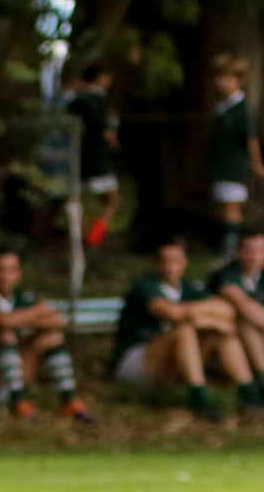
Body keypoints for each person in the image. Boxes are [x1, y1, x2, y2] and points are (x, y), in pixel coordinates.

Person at [113, 236, 258, 419]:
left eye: (177, 261)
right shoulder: (144, 286)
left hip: (175, 362)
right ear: (156, 263)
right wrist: (201, 315)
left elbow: (226, 309)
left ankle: (249, 395)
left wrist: (195, 316)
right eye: (166, 261)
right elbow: (171, 313)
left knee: (220, 334)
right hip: (137, 360)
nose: (171, 267)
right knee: (184, 331)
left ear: (185, 263)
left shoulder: (189, 288)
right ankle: (199, 400)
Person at [0, 247, 87, 421]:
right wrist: (38, 310)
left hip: (8, 373)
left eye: (11, 270)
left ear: (18, 274)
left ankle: (68, 400)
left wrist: (21, 319)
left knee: (52, 337)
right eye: (1, 270)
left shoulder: (23, 298)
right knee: (5, 336)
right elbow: (1, 321)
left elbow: (59, 320)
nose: (6, 276)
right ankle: (18, 402)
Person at [208, 56, 264, 260]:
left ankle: (231, 252)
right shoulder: (222, 107)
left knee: (232, 209)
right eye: (219, 77)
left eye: (226, 78)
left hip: (234, 166)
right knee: (225, 209)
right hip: (221, 165)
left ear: (238, 80)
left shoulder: (241, 109)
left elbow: (251, 139)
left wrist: (257, 164)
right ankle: (234, 249)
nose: (221, 82)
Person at [65, 65, 120, 250]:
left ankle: (86, 236)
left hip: (77, 156)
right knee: (111, 199)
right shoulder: (95, 99)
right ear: (100, 77)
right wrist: (112, 141)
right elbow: (102, 126)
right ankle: (93, 237)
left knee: (83, 199)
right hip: (95, 157)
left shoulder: (75, 98)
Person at [208, 227, 264, 390]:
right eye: (249, 251)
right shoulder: (226, 274)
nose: (255, 257)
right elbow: (245, 307)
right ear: (238, 251)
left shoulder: (261, 275)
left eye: (260, 251)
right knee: (247, 323)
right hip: (223, 340)